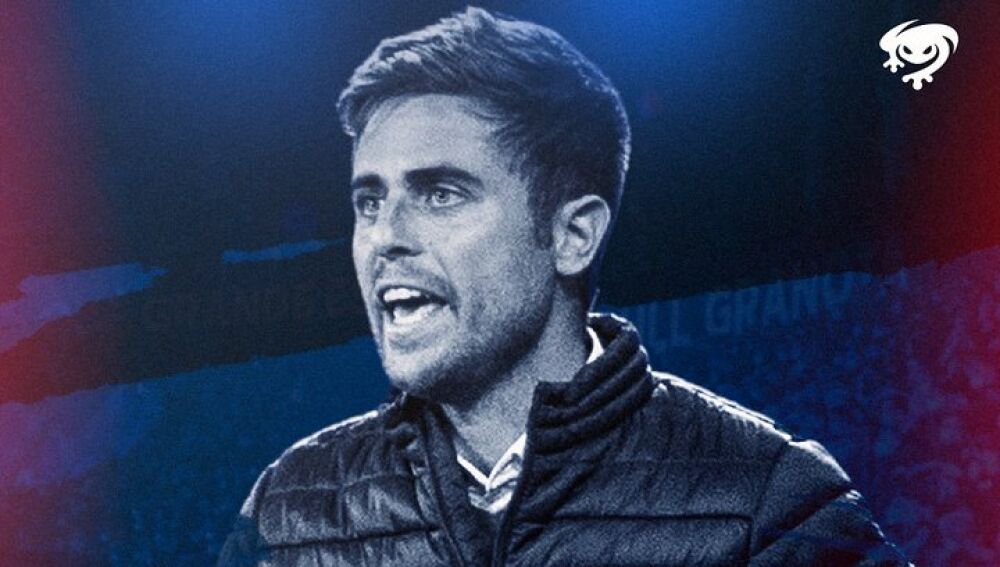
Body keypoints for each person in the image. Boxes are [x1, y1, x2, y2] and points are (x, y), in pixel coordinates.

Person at [220, 7, 910, 566]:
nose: (385, 236)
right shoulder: (290, 509)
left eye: (440, 193)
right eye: (369, 201)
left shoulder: (769, 503)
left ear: (573, 235)